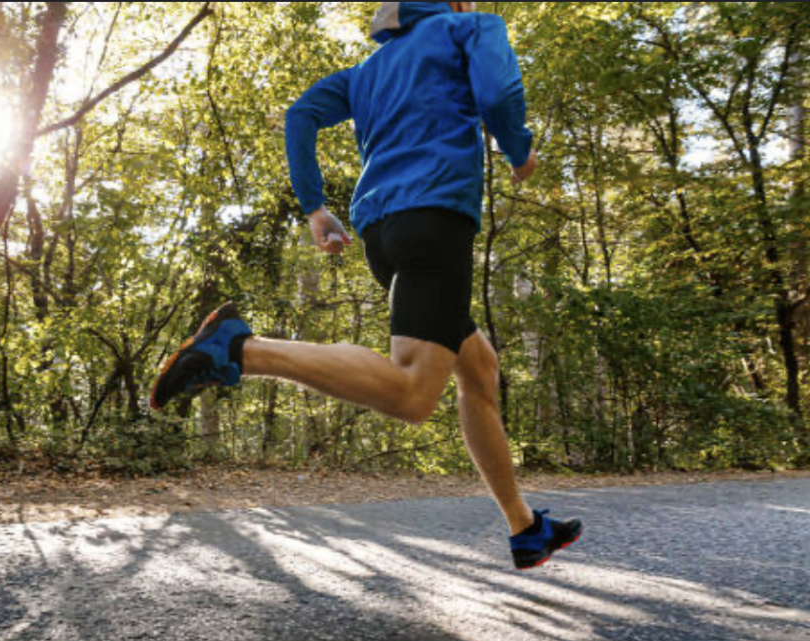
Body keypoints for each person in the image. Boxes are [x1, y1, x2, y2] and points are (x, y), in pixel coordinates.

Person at [151, 1, 581, 570]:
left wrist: (314, 210)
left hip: (382, 233)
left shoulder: (365, 74)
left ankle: (525, 528)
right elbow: (498, 96)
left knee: (479, 370)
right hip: (436, 219)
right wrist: (518, 150)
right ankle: (238, 348)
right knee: (412, 392)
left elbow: (300, 114)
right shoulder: (471, 27)